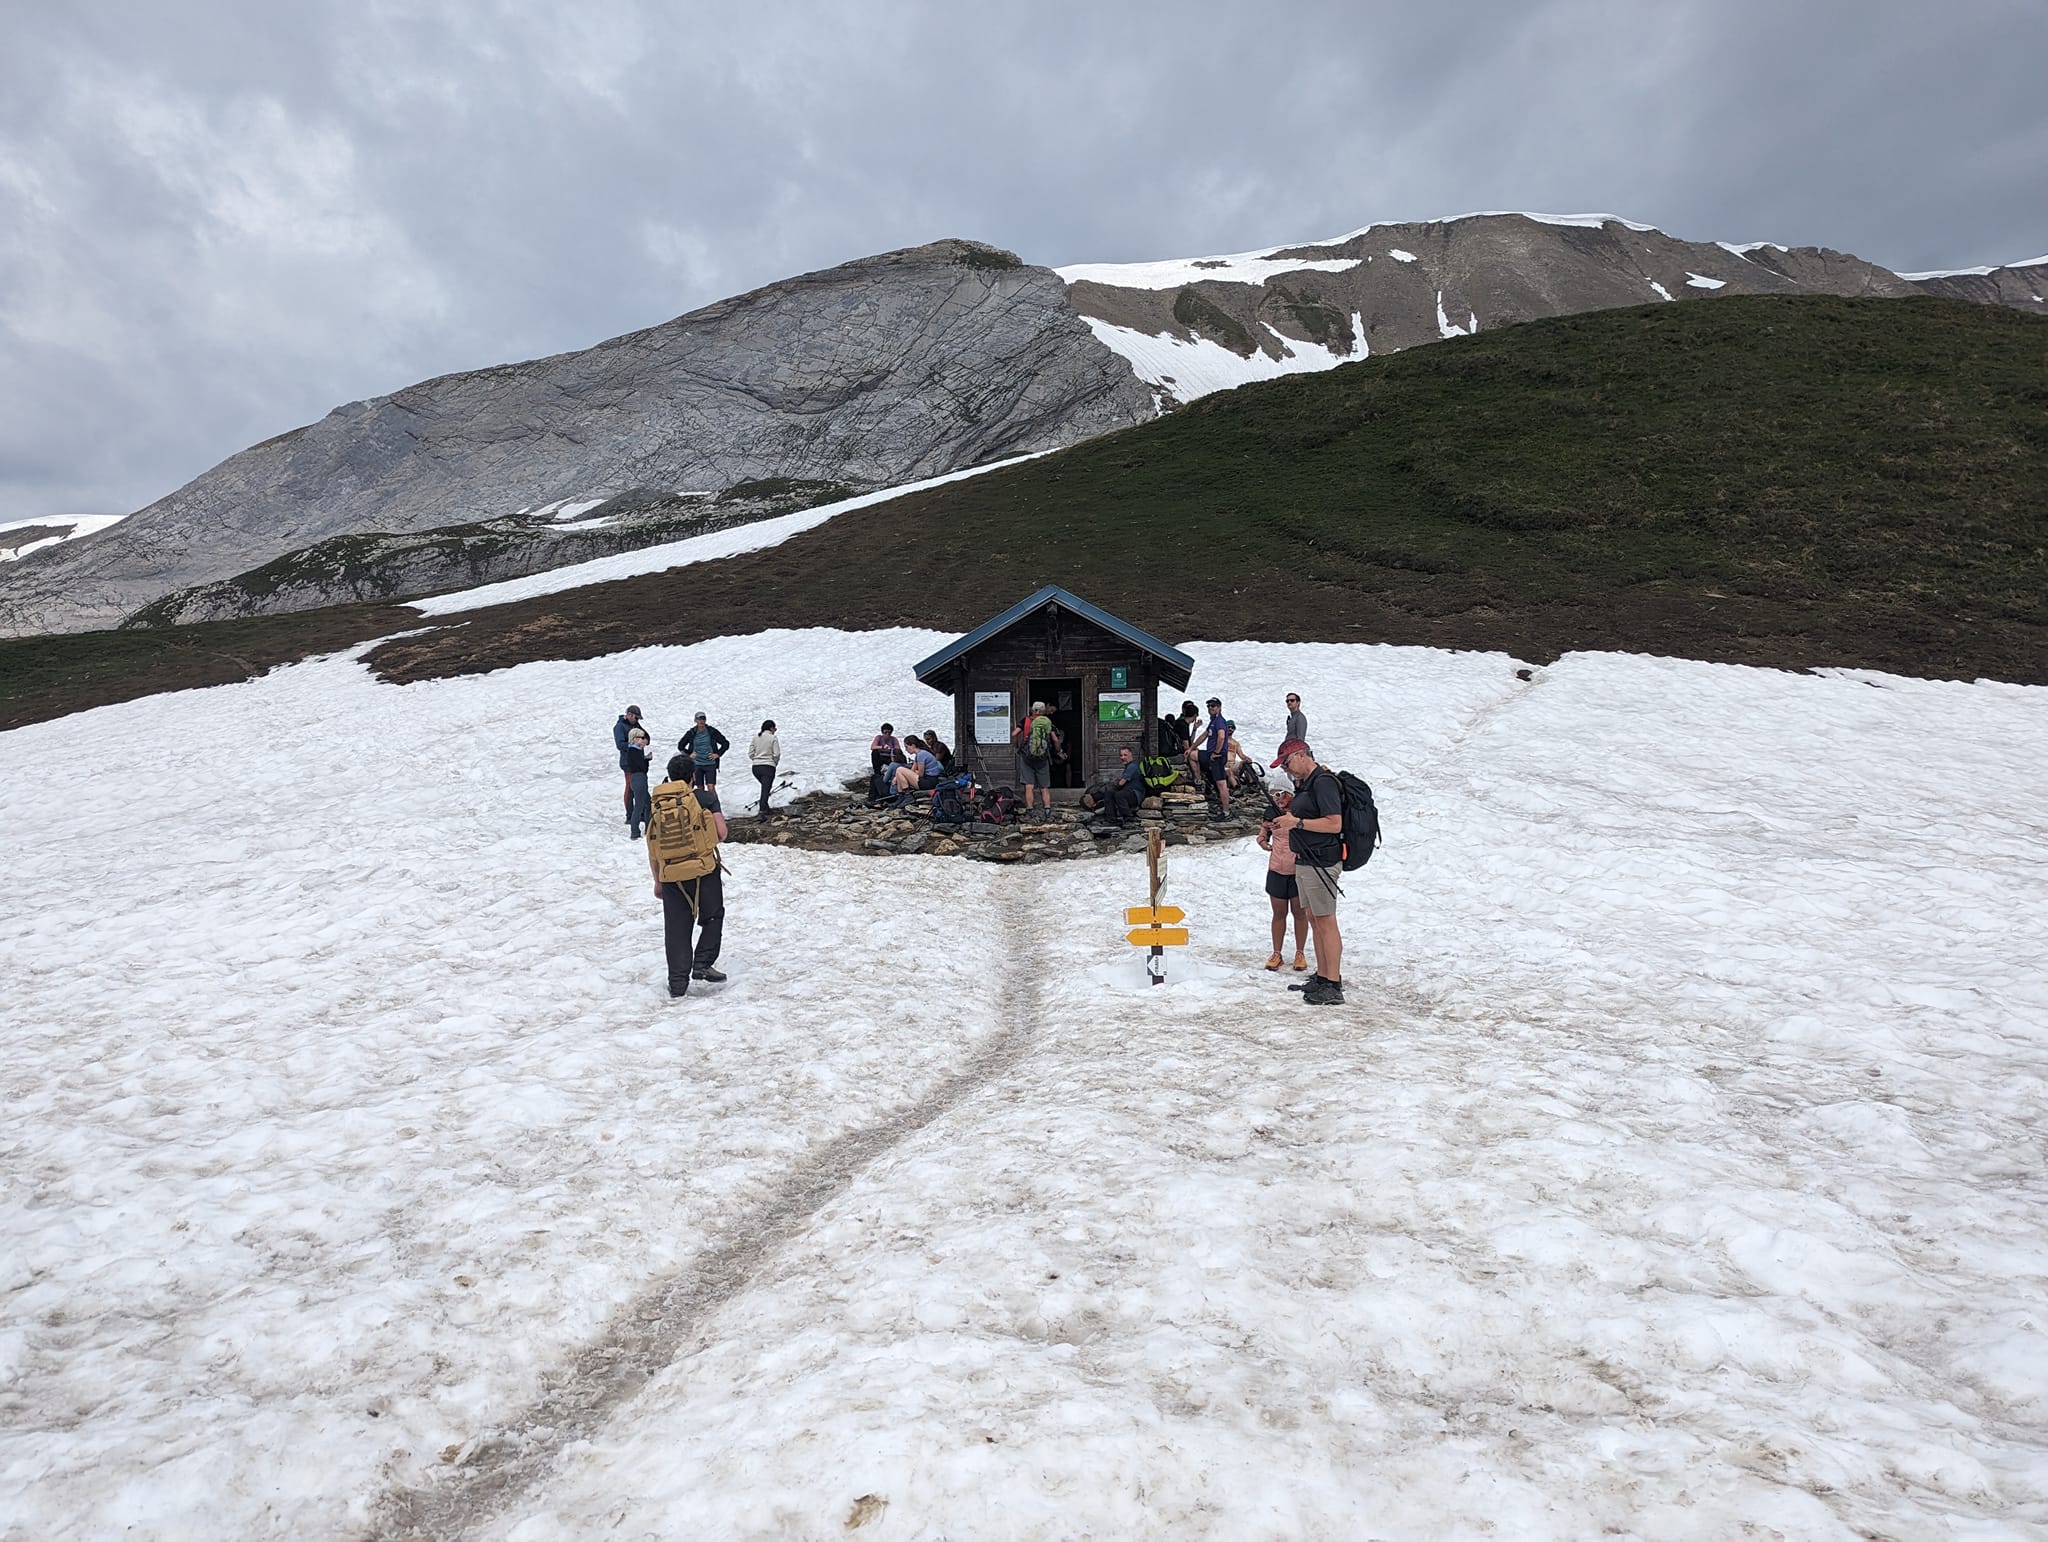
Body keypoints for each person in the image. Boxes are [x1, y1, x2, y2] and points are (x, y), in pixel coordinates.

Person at [1270, 742, 1345, 1005]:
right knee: (1315, 918)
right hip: (1306, 860)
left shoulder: (1323, 783)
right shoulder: (1308, 783)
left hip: (1321, 861)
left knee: (1325, 920)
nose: (1288, 771)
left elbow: (1334, 824)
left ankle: (1333, 983)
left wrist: (1297, 822)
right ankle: (1323, 976)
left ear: (1301, 756)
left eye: (1287, 764)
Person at [648, 754, 728, 996]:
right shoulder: (703, 798)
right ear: (693, 776)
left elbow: (653, 847)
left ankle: (677, 984)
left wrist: (658, 880)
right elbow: (722, 833)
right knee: (712, 915)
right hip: (703, 869)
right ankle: (703, 963)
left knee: (676, 927)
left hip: (671, 874)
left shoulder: (656, 805)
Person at [1256, 788, 1311, 973]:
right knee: (1278, 913)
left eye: (1281, 794)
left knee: (1299, 913)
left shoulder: (1300, 812)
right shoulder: (1271, 812)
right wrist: (1262, 840)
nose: (1278, 799)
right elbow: (1264, 828)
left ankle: (1300, 953)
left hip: (1298, 869)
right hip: (1276, 868)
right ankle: (1276, 953)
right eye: (1274, 795)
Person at [1013, 702, 1059, 816]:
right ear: (1043, 711)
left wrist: (1017, 746)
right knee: (1044, 786)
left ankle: (1029, 809)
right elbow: (1055, 740)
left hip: (1027, 757)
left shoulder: (1026, 720)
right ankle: (1047, 809)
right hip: (1042, 757)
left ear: (1033, 710)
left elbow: (1014, 734)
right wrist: (1058, 751)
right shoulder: (1047, 722)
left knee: (1029, 785)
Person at [1199, 697, 1236, 821]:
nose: (1210, 708)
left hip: (1218, 756)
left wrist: (1216, 752)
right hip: (1213, 755)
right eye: (1209, 706)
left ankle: (1226, 813)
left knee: (1221, 784)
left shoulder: (1220, 721)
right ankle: (1198, 781)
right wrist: (1192, 747)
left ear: (1219, 707)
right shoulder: (1213, 721)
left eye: (1213, 706)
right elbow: (1205, 735)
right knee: (1193, 755)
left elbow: (1221, 737)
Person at [677, 712, 729, 793]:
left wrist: (718, 754)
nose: (701, 721)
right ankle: (702, 805)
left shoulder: (712, 731)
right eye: (699, 719)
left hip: (710, 763)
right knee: (700, 788)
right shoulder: (692, 733)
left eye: (703, 719)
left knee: (711, 787)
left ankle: (715, 805)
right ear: (695, 720)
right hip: (696, 765)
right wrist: (689, 755)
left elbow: (725, 743)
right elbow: (680, 745)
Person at [622, 727, 653, 838]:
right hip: (638, 779)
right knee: (640, 805)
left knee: (648, 803)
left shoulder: (636, 750)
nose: (643, 740)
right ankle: (635, 831)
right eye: (641, 738)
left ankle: (648, 828)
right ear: (634, 739)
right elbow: (642, 767)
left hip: (639, 778)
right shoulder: (634, 751)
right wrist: (646, 760)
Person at [749, 719, 781, 817]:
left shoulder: (755, 738)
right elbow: (777, 754)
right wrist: (774, 763)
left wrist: (756, 759)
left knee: (765, 788)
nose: (775, 730)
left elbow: (750, 753)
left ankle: (766, 807)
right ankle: (762, 811)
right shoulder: (773, 738)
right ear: (771, 728)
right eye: (774, 728)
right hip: (768, 766)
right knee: (765, 789)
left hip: (756, 767)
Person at [1107, 746, 1145, 824]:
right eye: (1121, 755)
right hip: (1129, 792)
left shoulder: (1132, 766)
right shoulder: (1128, 766)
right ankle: (1111, 819)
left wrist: (1114, 785)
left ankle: (1128, 818)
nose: (1122, 757)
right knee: (1109, 793)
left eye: (1125, 755)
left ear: (1131, 755)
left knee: (1119, 795)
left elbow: (1121, 783)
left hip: (1136, 795)